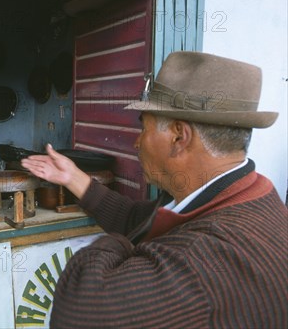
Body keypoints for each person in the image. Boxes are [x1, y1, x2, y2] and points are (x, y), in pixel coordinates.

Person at [21, 51, 287, 328]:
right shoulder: (254, 192)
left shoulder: (201, 257)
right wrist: (74, 177)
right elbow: (139, 218)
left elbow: (78, 312)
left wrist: (124, 242)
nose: (137, 143)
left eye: (144, 129)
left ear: (178, 136)